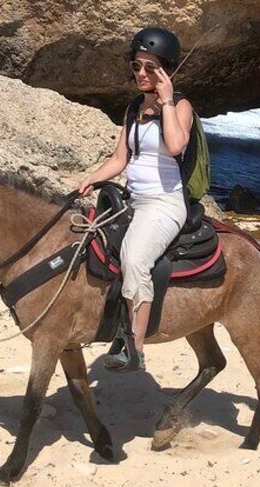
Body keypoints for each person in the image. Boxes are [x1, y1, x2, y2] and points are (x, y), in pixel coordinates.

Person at [77, 27, 193, 371]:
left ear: (166, 71)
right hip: (131, 199)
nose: (141, 74)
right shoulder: (133, 108)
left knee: (135, 258)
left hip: (163, 204)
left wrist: (168, 100)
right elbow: (119, 159)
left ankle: (134, 346)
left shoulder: (182, 105)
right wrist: (90, 179)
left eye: (150, 68)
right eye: (137, 66)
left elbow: (175, 146)